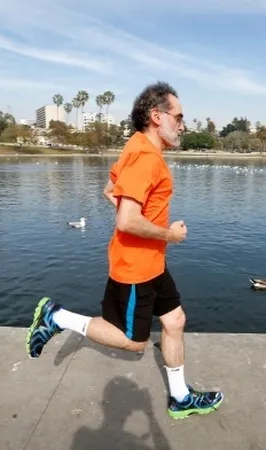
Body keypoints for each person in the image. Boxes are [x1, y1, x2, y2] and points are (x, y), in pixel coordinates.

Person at [25, 81, 223, 420]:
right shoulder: (146, 157)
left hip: (153, 263)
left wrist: (154, 235)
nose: (183, 124)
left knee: (175, 320)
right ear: (156, 116)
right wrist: (169, 235)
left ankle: (180, 398)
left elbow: (110, 189)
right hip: (136, 267)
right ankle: (56, 316)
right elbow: (127, 220)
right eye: (178, 116)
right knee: (134, 342)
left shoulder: (137, 147)